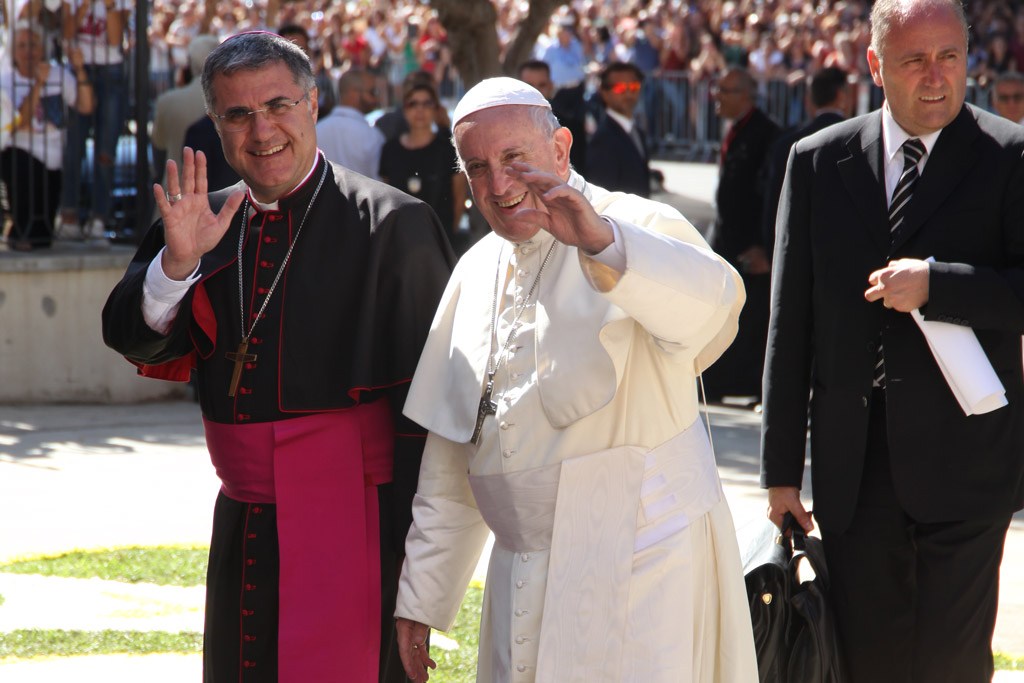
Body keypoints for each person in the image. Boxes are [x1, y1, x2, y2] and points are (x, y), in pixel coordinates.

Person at [101, 32, 454, 683]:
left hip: (362, 529)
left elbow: (428, 422)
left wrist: (421, 578)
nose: (261, 130)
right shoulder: (197, 221)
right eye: (238, 114)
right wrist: (177, 265)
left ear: (313, 104)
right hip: (246, 523)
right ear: (216, 123)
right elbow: (133, 335)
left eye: (278, 106)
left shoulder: (393, 225)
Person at [393, 77, 757, 683]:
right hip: (522, 568)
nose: (499, 185)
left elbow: (713, 311)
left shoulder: (632, 223)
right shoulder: (476, 267)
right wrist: (423, 599)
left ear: (560, 149)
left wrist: (604, 245)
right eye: (477, 167)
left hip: (644, 557)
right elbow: (453, 459)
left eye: (515, 158)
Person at [762, 0, 1024, 681]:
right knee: (866, 660)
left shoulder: (1010, 155)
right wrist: (780, 468)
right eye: (914, 60)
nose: (935, 77)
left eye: (950, 57)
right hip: (856, 469)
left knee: (951, 661)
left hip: (969, 461)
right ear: (875, 65)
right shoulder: (817, 161)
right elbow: (791, 324)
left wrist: (939, 283)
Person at [701, 66, 779, 402]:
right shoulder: (737, 129)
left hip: (751, 250)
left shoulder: (767, 135)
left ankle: (747, 387)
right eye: (716, 88)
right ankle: (718, 383)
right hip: (728, 244)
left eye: (725, 90)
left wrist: (766, 247)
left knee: (749, 318)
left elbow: (772, 195)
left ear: (744, 96)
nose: (716, 96)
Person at [1, 21, 93, 250]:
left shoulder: (60, 75)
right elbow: (18, 121)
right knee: (21, 170)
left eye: (33, 44)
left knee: (44, 233)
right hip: (21, 153)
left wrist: (80, 70)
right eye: (21, 46)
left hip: (54, 157)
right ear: (14, 51)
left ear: (43, 48)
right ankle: (17, 234)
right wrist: (39, 84)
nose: (28, 52)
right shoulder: (6, 81)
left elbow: (86, 106)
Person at [60, 0, 130, 240]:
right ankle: (68, 215)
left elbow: (114, 39)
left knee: (105, 150)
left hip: (111, 73)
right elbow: (67, 33)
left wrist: (109, 7)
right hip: (79, 68)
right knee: (73, 146)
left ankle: (98, 218)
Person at [761, 66, 850, 254]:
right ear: (842, 97)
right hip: (846, 252)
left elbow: (774, 206)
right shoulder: (862, 142)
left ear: (808, 101)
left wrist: (771, 253)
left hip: (796, 251)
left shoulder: (787, 143)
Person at [379, 78, 465, 246]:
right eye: (413, 104)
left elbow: (459, 197)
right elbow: (386, 198)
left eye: (427, 104)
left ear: (435, 109)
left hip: (440, 242)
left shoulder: (448, 148)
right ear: (404, 110)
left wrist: (446, 240)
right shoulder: (390, 149)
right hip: (399, 243)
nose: (420, 110)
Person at [151, 34, 220, 190]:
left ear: (189, 63)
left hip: (177, 193)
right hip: (224, 195)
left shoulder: (167, 101)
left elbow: (158, 146)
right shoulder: (231, 99)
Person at [585, 61, 651, 198]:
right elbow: (601, 196)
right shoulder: (603, 139)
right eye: (620, 88)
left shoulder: (638, 132)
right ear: (604, 93)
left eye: (633, 87)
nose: (628, 94)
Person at [516, 59, 587, 172]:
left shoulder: (572, 128)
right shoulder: (505, 129)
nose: (536, 91)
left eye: (541, 85)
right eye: (529, 86)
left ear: (551, 86)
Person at [316, 67, 386, 179]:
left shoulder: (316, 131)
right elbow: (381, 183)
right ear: (353, 94)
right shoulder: (372, 135)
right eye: (373, 92)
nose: (376, 98)